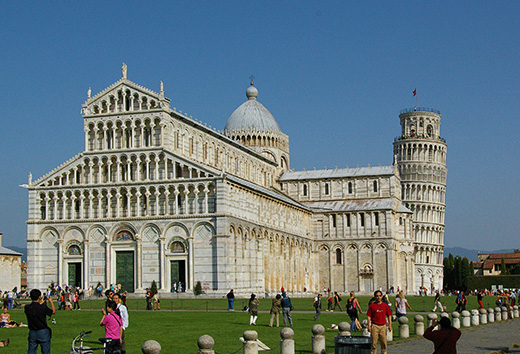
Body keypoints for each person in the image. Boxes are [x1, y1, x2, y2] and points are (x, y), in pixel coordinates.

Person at [25, 289, 55, 354]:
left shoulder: (27, 307)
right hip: (42, 332)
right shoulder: (42, 308)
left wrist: (40, 303)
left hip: (32, 331)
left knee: (31, 351)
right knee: (45, 351)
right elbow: (53, 311)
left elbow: (35, 308)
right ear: (39, 297)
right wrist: (51, 302)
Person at [366, 290, 392, 354]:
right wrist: (369, 326)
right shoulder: (372, 306)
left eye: (380, 296)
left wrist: (390, 325)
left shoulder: (385, 305)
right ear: (375, 297)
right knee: (374, 344)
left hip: (383, 326)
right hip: (375, 326)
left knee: (384, 343)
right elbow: (369, 316)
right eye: (377, 296)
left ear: (382, 296)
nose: (378, 297)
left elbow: (389, 315)